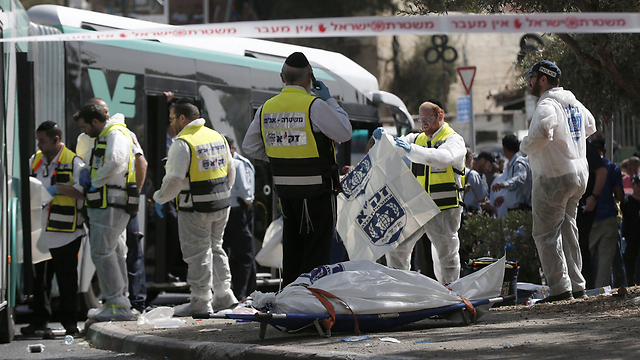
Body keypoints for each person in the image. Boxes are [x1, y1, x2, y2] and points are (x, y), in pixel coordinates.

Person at [242, 52, 352, 286]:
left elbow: (249, 146)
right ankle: (312, 304)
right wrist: (331, 101)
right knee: (317, 250)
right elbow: (344, 132)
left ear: (282, 78)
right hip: (318, 192)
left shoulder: (265, 108)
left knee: (292, 247)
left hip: (287, 194)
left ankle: (291, 301)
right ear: (310, 78)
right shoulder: (314, 106)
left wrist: (280, 157)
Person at [520, 60, 597, 302]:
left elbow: (543, 130)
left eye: (532, 77)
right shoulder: (573, 102)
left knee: (545, 234)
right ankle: (577, 285)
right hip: (578, 175)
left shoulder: (547, 104)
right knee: (568, 228)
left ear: (543, 79)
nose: (529, 82)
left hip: (553, 177)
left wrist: (525, 146)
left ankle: (560, 289)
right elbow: (591, 125)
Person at [153, 99, 238, 316]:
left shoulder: (183, 143)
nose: (171, 124)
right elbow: (231, 171)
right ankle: (224, 296)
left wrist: (159, 198)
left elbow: (174, 180)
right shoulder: (217, 136)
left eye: (172, 119)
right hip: (221, 204)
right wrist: (220, 193)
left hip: (196, 208)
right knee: (216, 247)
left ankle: (200, 301)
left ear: (182, 118)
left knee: (197, 253)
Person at [376, 101, 466, 284]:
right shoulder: (417, 138)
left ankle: (451, 292)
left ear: (440, 117)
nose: (423, 123)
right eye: (420, 119)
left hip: (444, 207)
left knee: (446, 253)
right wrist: (385, 138)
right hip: (417, 206)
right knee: (397, 246)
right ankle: (400, 290)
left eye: (428, 118)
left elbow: (442, 158)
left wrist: (413, 150)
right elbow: (398, 145)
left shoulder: (454, 140)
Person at [78, 98, 149, 312]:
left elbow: (118, 162)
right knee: (115, 251)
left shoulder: (115, 134)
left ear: (94, 121)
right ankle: (120, 301)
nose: (83, 131)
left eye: (84, 126)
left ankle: (117, 302)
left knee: (103, 252)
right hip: (109, 202)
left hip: (110, 201)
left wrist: (95, 182)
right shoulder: (109, 134)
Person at [22, 121, 85, 338]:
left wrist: (57, 189)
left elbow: (83, 193)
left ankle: (70, 325)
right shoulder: (35, 160)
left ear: (56, 140)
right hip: (39, 231)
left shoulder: (74, 162)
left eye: (42, 141)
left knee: (67, 281)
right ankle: (39, 321)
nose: (39, 145)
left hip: (66, 233)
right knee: (39, 281)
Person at [222, 135, 257, 301]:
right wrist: (249, 200)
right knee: (243, 255)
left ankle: (227, 292)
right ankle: (241, 294)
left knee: (223, 252)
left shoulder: (217, 162)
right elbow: (244, 189)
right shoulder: (236, 163)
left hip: (221, 211)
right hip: (237, 212)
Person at [588, 138, 624, 288]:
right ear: (604, 151)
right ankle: (600, 292)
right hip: (608, 217)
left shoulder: (587, 166)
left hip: (589, 219)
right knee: (605, 262)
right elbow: (620, 196)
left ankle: (583, 290)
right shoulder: (613, 167)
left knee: (584, 258)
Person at [492, 134, 532, 212]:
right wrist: (504, 197)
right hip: (516, 210)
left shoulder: (519, 163)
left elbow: (519, 179)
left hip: (521, 210)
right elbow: (517, 190)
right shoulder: (513, 163)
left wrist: (503, 184)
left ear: (504, 149)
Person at [621, 175, 640, 286]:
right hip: (631, 239)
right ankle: (630, 282)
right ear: (633, 186)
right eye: (637, 185)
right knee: (630, 263)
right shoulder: (627, 201)